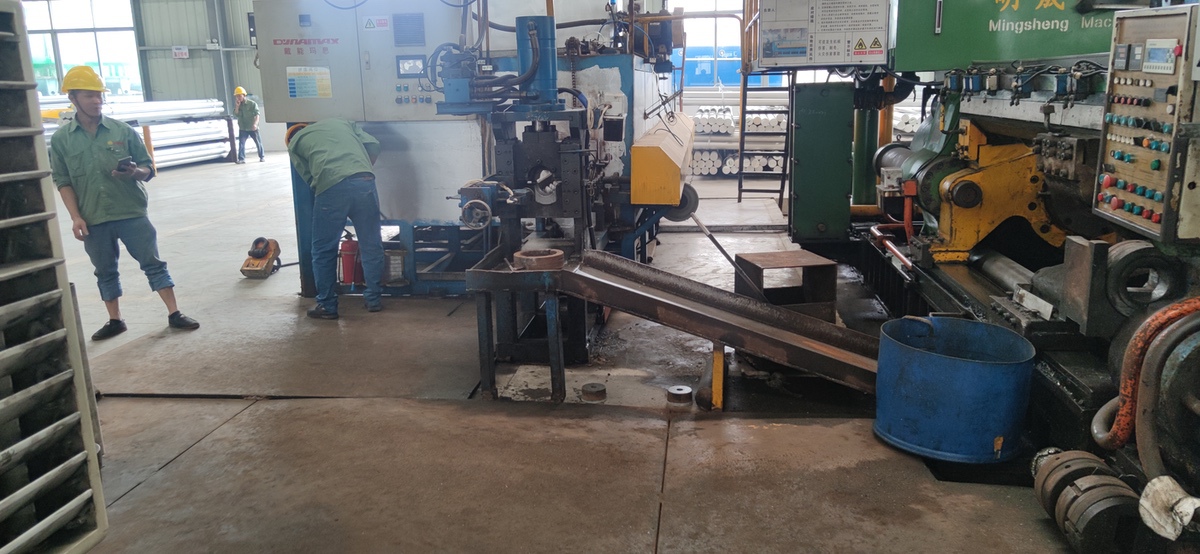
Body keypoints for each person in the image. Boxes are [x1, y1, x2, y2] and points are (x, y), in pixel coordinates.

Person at [49, 66, 200, 340]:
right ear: (72, 98)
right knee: (104, 271)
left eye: (99, 95)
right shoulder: (62, 140)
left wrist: (134, 173)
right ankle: (115, 320)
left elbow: (148, 169)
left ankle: (174, 313)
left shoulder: (122, 131)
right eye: (89, 95)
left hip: (130, 212)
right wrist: (76, 217)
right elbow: (63, 181)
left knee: (152, 262)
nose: (97, 101)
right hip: (93, 216)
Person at [286, 119, 385, 319]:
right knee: (371, 244)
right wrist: (360, 169)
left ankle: (327, 306)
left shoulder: (295, 144)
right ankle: (374, 300)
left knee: (323, 250)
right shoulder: (342, 123)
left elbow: (309, 178)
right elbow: (374, 144)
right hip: (365, 180)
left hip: (331, 188)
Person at [233, 86, 263, 164]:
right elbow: (236, 114)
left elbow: (257, 115)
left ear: (244, 95)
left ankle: (262, 156)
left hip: (252, 127)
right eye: (237, 96)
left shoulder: (252, 104)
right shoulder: (238, 105)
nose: (238, 98)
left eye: (239, 96)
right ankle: (241, 159)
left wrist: (255, 124)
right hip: (243, 128)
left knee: (258, 143)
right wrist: (237, 106)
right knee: (241, 144)